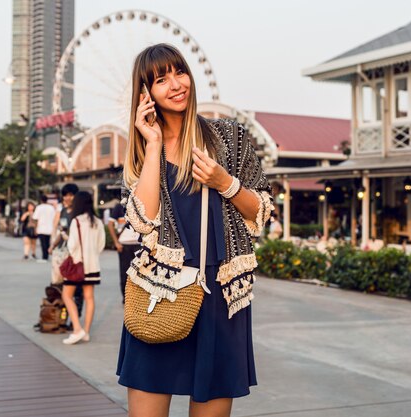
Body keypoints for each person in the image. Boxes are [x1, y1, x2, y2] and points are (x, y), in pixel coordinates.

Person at [116, 44, 274, 416]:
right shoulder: (140, 154)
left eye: (180, 72)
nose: (176, 84)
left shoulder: (229, 139)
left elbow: (262, 212)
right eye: (161, 79)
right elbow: (142, 221)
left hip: (220, 299)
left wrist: (225, 182)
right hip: (160, 296)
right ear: (145, 94)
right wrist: (153, 144)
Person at [61, 191, 105, 345]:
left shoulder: (76, 221)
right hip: (93, 265)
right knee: (89, 297)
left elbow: (72, 245)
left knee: (67, 295)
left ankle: (77, 329)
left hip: (77, 265)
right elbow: (101, 245)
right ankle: (86, 332)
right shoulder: (98, 222)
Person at [51, 183, 85, 316]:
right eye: (65, 195)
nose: (67, 198)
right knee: (57, 284)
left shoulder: (80, 213)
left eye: (70, 195)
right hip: (60, 252)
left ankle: (75, 315)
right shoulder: (61, 212)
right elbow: (56, 230)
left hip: (75, 253)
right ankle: (59, 314)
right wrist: (52, 245)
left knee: (76, 286)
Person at [108, 202, 141, 303]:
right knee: (124, 272)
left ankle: (137, 298)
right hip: (124, 245)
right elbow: (110, 224)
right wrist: (116, 242)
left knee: (140, 272)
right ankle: (126, 297)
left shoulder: (139, 204)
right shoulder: (119, 206)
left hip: (138, 244)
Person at [33, 194, 55, 262]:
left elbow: (35, 218)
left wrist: (35, 228)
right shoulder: (51, 208)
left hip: (41, 228)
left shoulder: (39, 207)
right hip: (49, 227)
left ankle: (44, 257)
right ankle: (46, 255)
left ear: (41, 200)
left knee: (43, 243)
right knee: (47, 242)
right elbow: (54, 217)